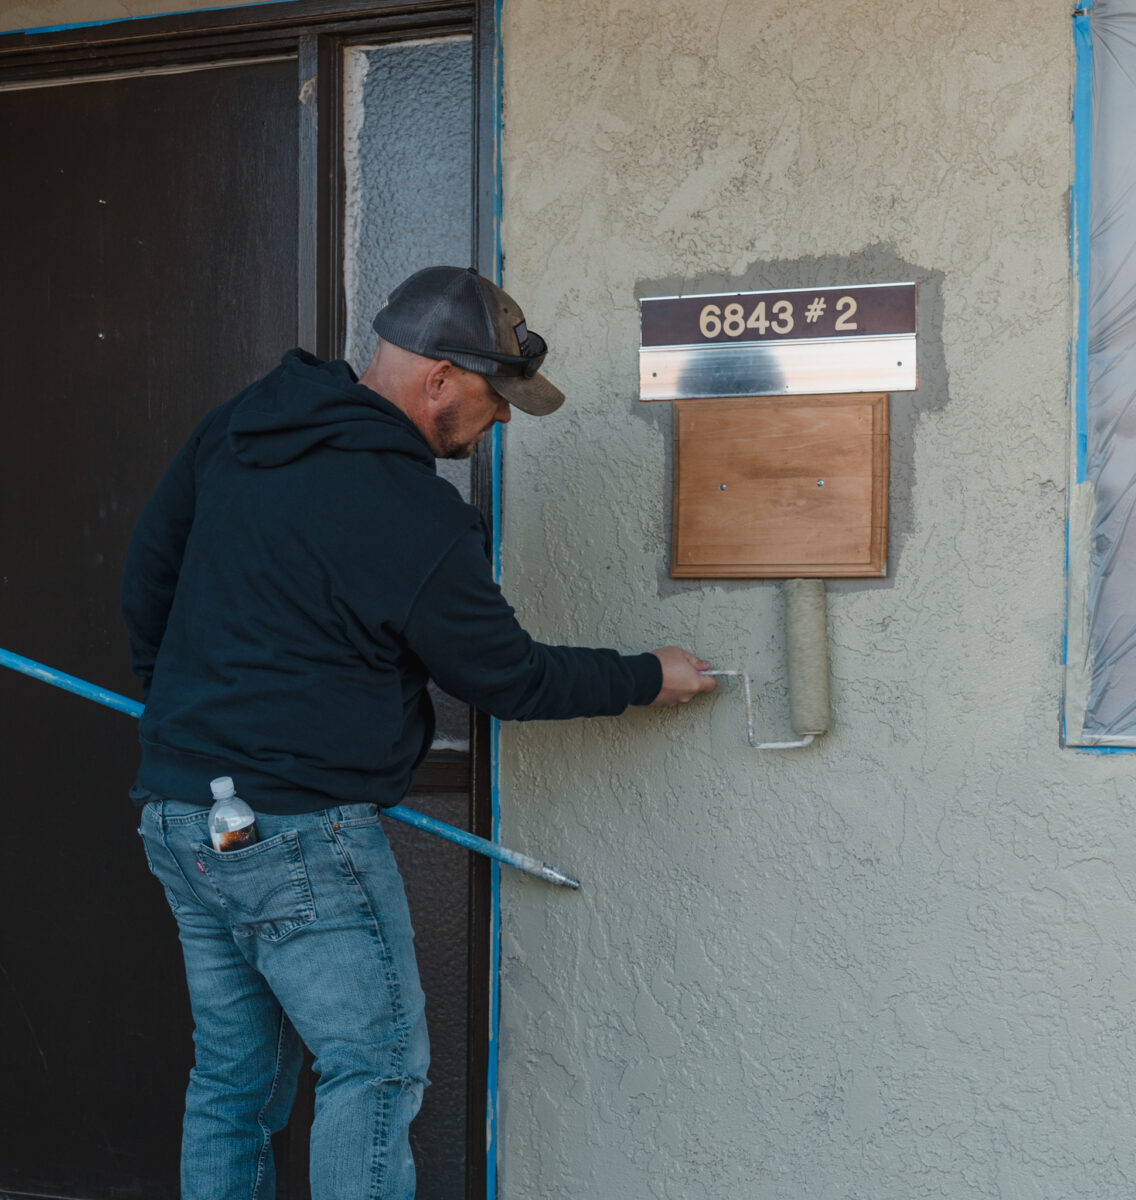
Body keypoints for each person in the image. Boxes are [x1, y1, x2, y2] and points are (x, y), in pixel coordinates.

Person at [123, 265, 715, 1200]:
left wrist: (185, 725)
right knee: (375, 1067)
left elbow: (149, 570)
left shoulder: (245, 426)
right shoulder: (414, 516)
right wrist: (648, 676)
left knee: (234, 1082)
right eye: (496, 396)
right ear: (437, 378)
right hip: (300, 838)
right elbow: (506, 678)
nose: (506, 419)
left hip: (182, 818)